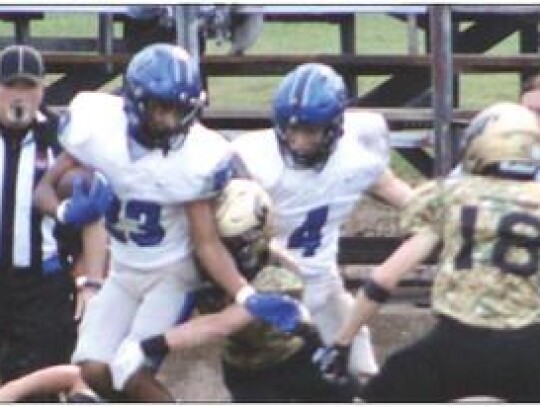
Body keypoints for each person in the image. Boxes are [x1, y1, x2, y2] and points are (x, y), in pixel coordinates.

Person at [33, 43, 305, 401]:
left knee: (129, 368)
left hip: (171, 275)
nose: (171, 121)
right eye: (162, 109)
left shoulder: (197, 157)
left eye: (180, 110)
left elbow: (206, 243)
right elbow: (44, 189)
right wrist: (66, 212)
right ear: (136, 101)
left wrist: (244, 293)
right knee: (92, 369)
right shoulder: (97, 126)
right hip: (123, 270)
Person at [316, 102, 540, 402]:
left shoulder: (451, 196)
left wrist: (342, 343)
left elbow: (384, 278)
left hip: (457, 343)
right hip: (529, 346)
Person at [230, 63, 414, 378]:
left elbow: (406, 198)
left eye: (310, 131)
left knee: (361, 375)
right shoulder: (253, 158)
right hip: (269, 288)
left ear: (334, 127)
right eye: (292, 129)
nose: (299, 141)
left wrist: (449, 211)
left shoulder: (357, 158)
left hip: (324, 284)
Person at [110, 179, 361, 402]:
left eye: (230, 243)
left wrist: (148, 346)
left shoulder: (280, 274)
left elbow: (221, 324)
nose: (220, 252)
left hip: (295, 360)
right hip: (246, 370)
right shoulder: (200, 264)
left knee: (353, 396)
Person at [0, 43, 99, 402]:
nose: (19, 96)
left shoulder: (64, 141)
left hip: (43, 286)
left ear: (42, 91)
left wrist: (90, 280)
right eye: (11, 86)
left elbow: (95, 213)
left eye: (28, 87)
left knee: (38, 386)